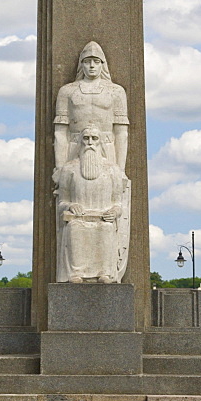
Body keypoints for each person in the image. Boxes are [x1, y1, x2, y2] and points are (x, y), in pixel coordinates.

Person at [55, 126, 127, 283]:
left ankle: (104, 273)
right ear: (80, 142)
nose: (90, 143)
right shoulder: (69, 168)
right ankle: (76, 273)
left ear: (100, 142)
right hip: (79, 219)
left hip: (102, 219)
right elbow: (62, 201)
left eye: (94, 138)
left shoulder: (112, 169)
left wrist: (114, 212)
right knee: (74, 228)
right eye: (86, 138)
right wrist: (69, 206)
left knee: (106, 229)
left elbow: (118, 203)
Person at [53, 41, 129, 172]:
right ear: (81, 64)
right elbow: (60, 133)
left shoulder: (116, 92)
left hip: (107, 147)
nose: (92, 66)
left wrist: (121, 170)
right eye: (87, 61)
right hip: (75, 146)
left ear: (102, 64)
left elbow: (121, 133)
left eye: (96, 61)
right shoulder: (67, 91)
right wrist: (60, 167)